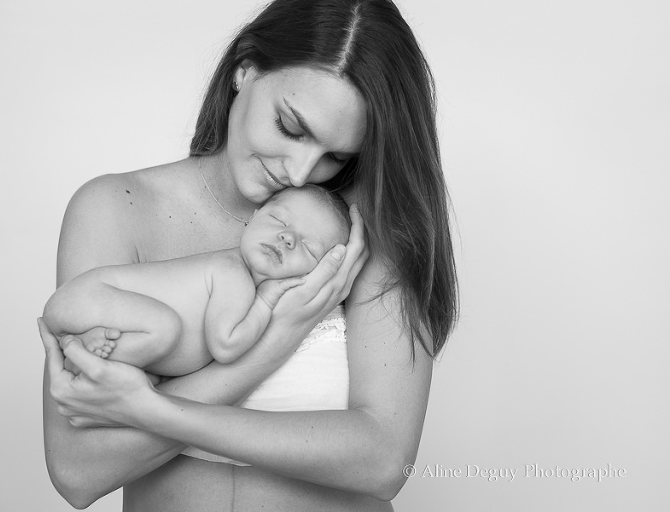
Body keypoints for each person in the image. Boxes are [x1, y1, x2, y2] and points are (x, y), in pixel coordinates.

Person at [40, 0, 458, 510]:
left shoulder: (357, 234)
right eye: (291, 127)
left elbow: (384, 461)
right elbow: (78, 470)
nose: (300, 172)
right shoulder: (117, 210)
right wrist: (273, 343)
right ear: (245, 69)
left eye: (335, 156)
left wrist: (151, 410)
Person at [42, 185, 351, 375]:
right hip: (90, 295)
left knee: (155, 371)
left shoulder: (235, 281)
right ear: (254, 216)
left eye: (308, 247)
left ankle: (91, 346)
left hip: (94, 303)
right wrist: (266, 300)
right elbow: (226, 346)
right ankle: (81, 357)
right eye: (278, 220)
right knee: (164, 328)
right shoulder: (231, 272)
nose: (287, 237)